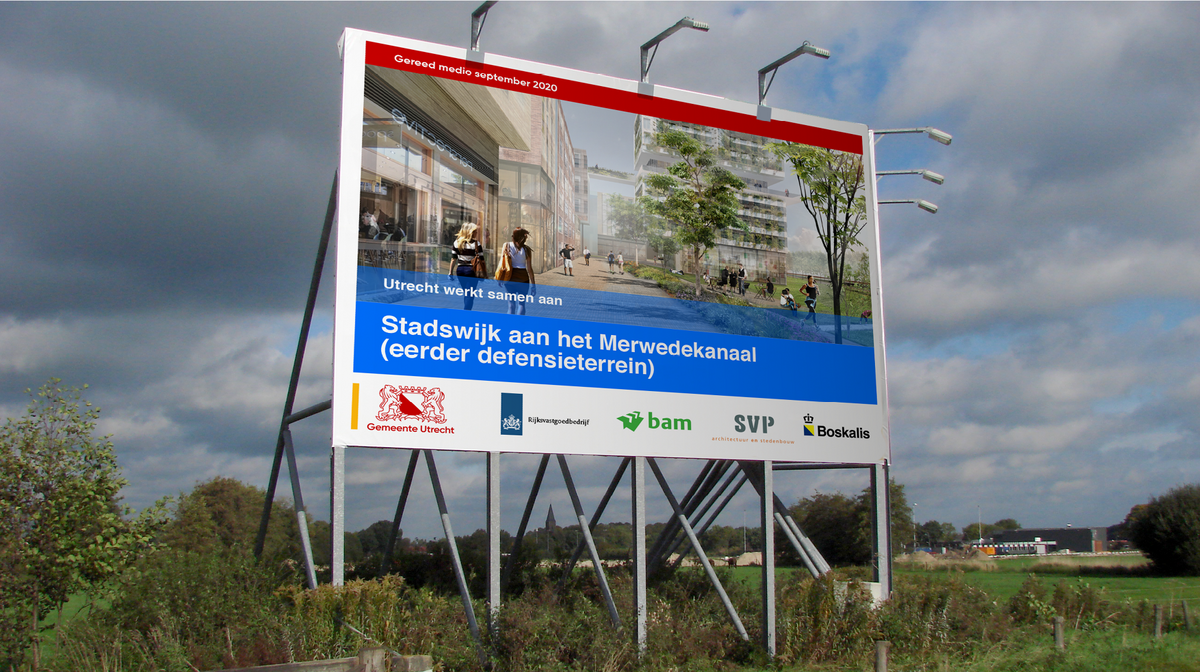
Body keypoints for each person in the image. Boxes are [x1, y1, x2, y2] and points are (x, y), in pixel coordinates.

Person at [501, 228, 536, 315]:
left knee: (511, 305)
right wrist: (533, 285)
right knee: (521, 304)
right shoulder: (527, 250)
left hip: (510, 278)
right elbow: (529, 269)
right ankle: (518, 325)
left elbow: (503, 264)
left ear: (513, 237)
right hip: (523, 278)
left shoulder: (506, 245)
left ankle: (510, 325)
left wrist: (500, 278)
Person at [451, 223, 482, 310]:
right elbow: (481, 259)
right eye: (475, 231)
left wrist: (450, 272)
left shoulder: (456, 243)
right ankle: (466, 313)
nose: (476, 233)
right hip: (471, 270)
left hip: (460, 270)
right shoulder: (476, 244)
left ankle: (466, 311)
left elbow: (453, 259)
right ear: (470, 232)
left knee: (466, 292)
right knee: (470, 294)